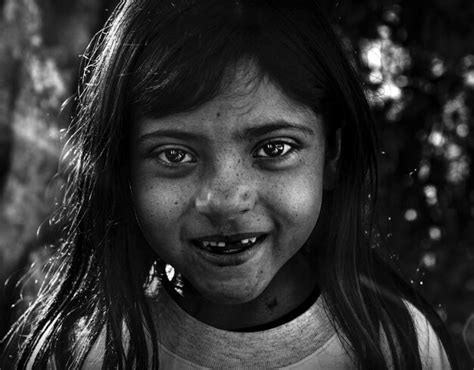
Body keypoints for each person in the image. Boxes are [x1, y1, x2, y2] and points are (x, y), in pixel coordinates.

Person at [2, 0, 457, 368]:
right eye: (174, 155)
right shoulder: (91, 355)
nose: (224, 200)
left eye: (274, 149)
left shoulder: (396, 346)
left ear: (331, 156)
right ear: (123, 170)